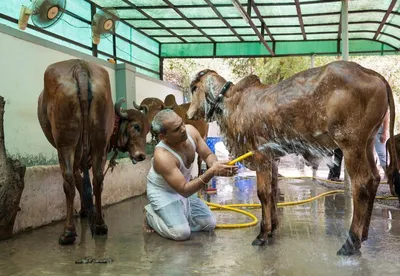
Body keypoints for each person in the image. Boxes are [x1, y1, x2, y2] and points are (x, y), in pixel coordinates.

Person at [143, 109, 238, 241]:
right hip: (164, 193)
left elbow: (208, 155)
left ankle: (176, 215)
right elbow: (185, 190)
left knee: (209, 223)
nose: (183, 129)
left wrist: (217, 165)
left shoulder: (191, 131)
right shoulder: (162, 156)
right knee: (181, 233)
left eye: (182, 123)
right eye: (176, 129)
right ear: (163, 137)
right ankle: (151, 215)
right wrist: (211, 172)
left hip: (183, 188)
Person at [375, 111, 389, 179]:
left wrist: (384, 133)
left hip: (379, 131)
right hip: (368, 130)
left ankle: (388, 174)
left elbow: (386, 116)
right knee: (368, 154)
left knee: (381, 153)